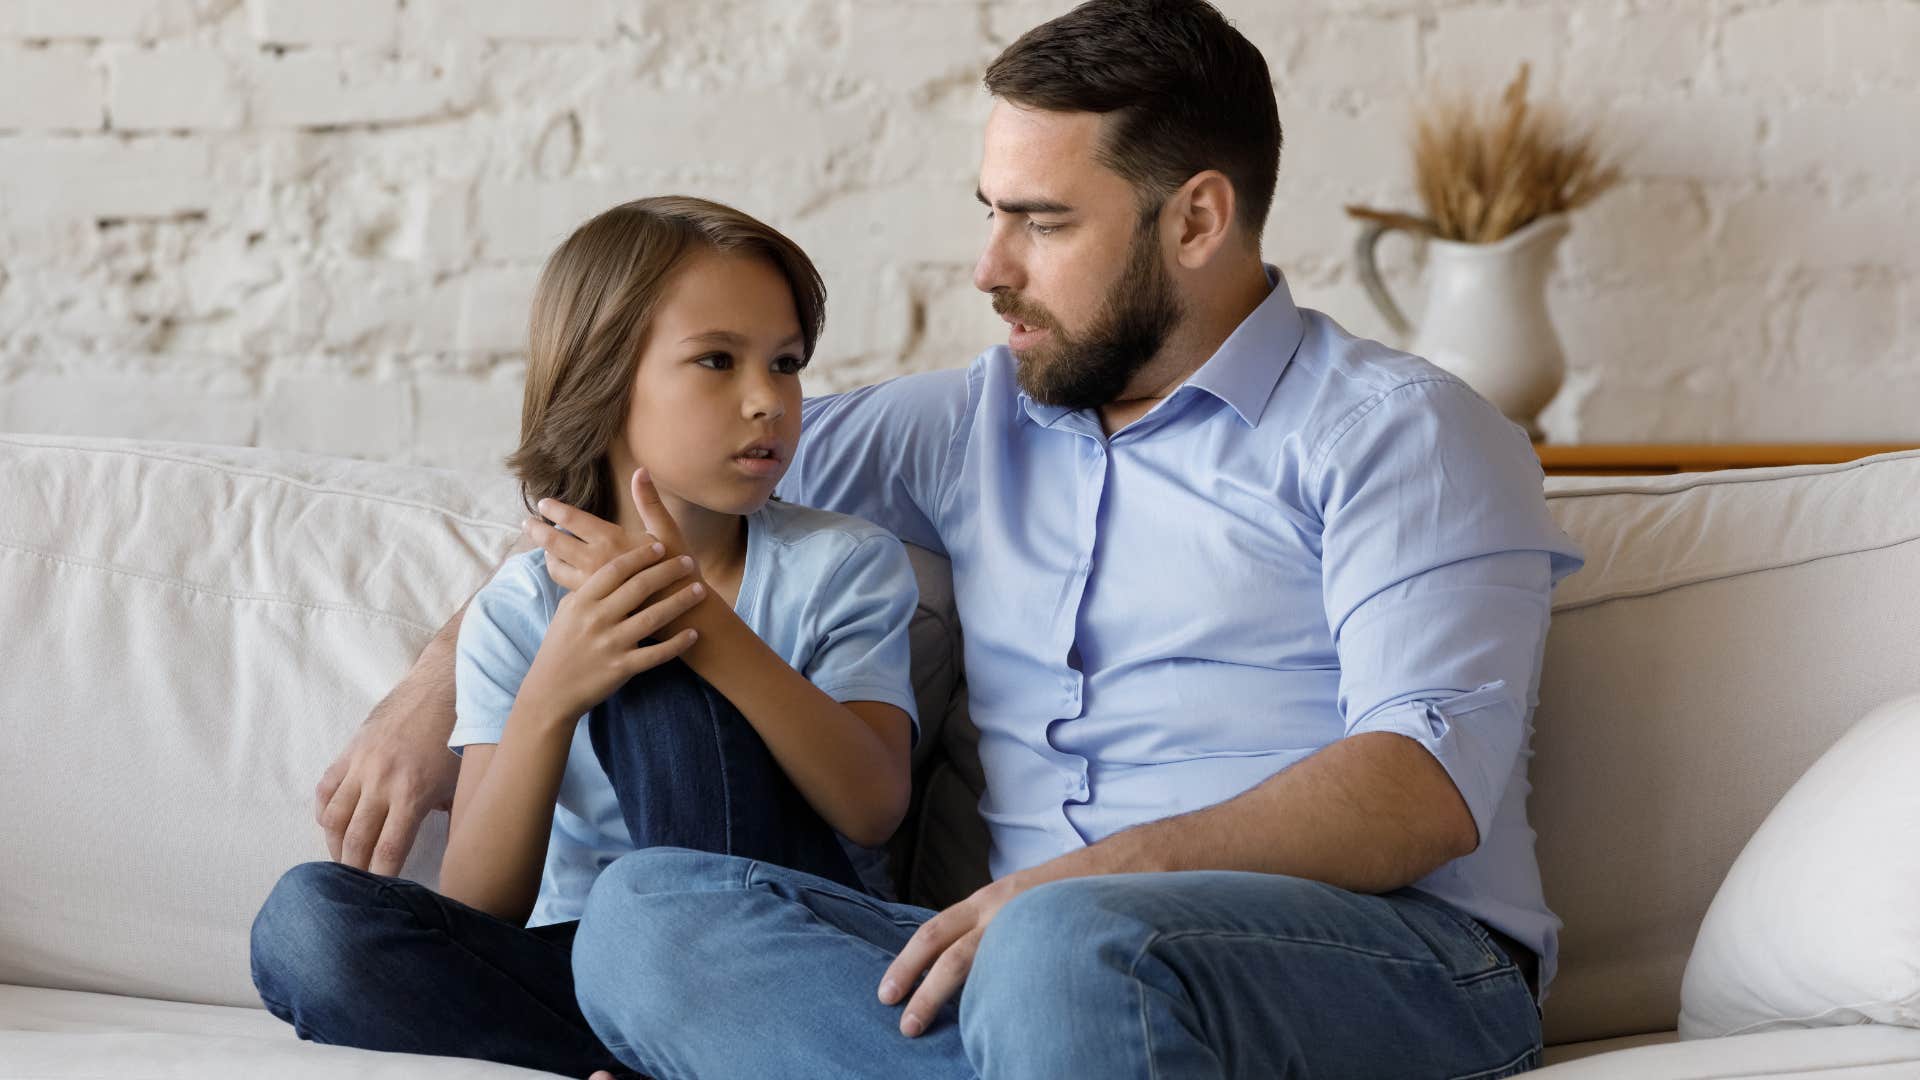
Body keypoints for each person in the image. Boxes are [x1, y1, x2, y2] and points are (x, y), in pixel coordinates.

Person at [315, 1, 1589, 1076]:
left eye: (1041, 221)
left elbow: (1420, 786)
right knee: (645, 923)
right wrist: (442, 680)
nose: (988, 267)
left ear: (1197, 220)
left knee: (1068, 946)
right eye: (991, 211)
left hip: (1386, 956)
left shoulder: (1401, 432)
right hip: (1008, 963)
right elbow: (655, 467)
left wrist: (1085, 884)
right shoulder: (966, 423)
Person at [249, 196, 922, 1079]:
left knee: (649, 653)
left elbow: (873, 805)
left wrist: (703, 626)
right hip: (587, 964)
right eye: (717, 361)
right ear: (604, 382)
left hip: (785, 953)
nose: (770, 400)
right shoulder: (519, 609)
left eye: (787, 363)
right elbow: (484, 903)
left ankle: (699, 1034)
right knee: (308, 924)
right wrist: (552, 694)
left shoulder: (843, 565)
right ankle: (656, 1057)